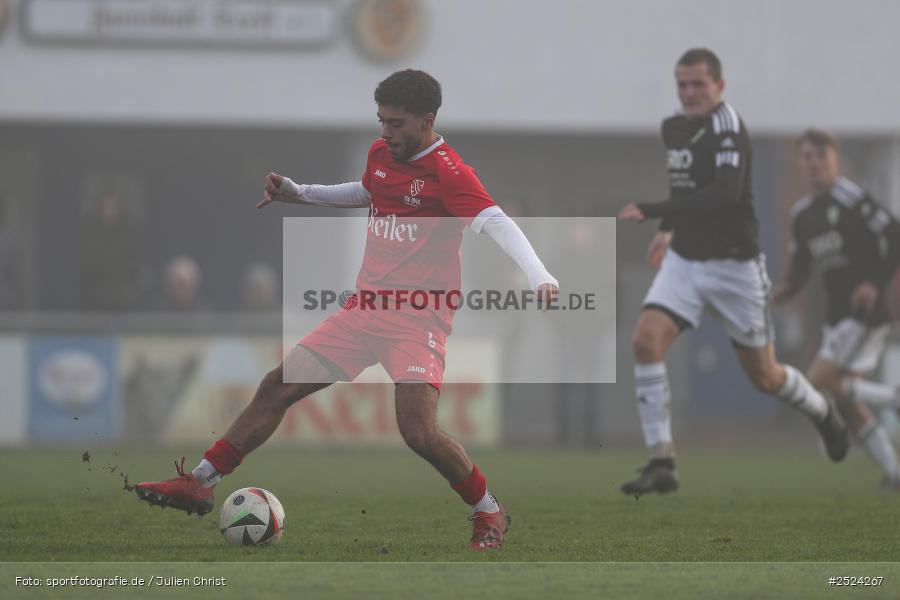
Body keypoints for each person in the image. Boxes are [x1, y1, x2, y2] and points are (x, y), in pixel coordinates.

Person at [135, 69, 559, 550]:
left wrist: (539, 275)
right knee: (278, 385)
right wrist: (300, 193)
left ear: (427, 119)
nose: (385, 133)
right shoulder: (383, 155)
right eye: (381, 121)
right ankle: (203, 480)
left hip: (417, 318)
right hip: (363, 312)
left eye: (396, 123)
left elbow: (497, 222)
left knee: (418, 432)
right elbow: (365, 191)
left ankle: (489, 511)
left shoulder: (450, 173)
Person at [617, 48, 848, 497]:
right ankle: (662, 459)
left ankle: (822, 411)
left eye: (698, 84)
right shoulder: (674, 128)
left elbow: (723, 195)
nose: (689, 93)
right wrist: (668, 228)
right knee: (645, 342)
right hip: (685, 261)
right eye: (682, 84)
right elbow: (685, 188)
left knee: (764, 377)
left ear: (720, 87)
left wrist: (654, 210)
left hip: (734, 268)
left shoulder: (728, 128)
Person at [773, 129, 900, 490]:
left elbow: (894, 235)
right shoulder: (802, 215)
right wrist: (786, 289)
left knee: (817, 383)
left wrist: (873, 282)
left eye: (822, 155)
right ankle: (895, 473)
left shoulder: (852, 198)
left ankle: (894, 398)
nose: (815, 163)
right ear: (800, 163)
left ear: (836, 159)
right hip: (836, 314)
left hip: (864, 311)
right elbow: (801, 265)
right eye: (808, 156)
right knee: (844, 398)